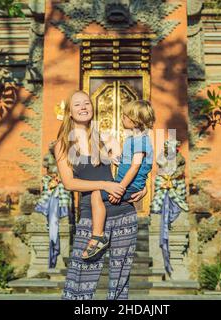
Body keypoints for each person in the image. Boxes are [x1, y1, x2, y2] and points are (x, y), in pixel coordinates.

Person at [54, 90, 146, 300]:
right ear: (69, 112)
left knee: (120, 280)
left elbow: (126, 170)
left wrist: (143, 187)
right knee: (80, 277)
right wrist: (103, 184)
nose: (83, 107)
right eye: (77, 104)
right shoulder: (63, 144)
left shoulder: (107, 139)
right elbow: (69, 183)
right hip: (91, 216)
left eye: (86, 103)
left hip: (123, 212)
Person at [82, 100, 155, 261]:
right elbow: (130, 162)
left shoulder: (141, 141)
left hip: (128, 186)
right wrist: (114, 159)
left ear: (134, 120)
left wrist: (120, 188)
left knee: (95, 194)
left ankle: (98, 236)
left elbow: (135, 167)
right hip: (127, 184)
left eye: (124, 116)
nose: (122, 118)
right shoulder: (132, 139)